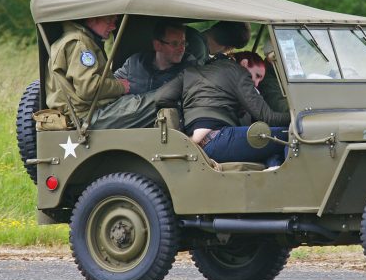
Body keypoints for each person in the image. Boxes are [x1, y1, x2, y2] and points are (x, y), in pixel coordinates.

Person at [154, 51, 289, 167]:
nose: (257, 83)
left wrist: (190, 115)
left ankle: (273, 168)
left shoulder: (191, 72)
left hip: (198, 144)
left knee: (271, 146)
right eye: (257, 76)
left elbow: (161, 97)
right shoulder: (239, 72)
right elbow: (267, 117)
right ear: (244, 63)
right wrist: (297, 116)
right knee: (289, 135)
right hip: (218, 139)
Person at [46, 15, 130, 123]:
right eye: (109, 21)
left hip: (84, 111)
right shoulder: (80, 43)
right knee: (152, 103)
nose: (113, 27)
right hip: (86, 115)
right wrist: (121, 86)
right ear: (91, 20)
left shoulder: (77, 38)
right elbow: (88, 88)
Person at [114, 20, 194, 94]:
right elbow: (112, 83)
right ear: (158, 45)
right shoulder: (135, 63)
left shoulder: (190, 69)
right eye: (175, 44)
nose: (182, 49)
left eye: (183, 43)